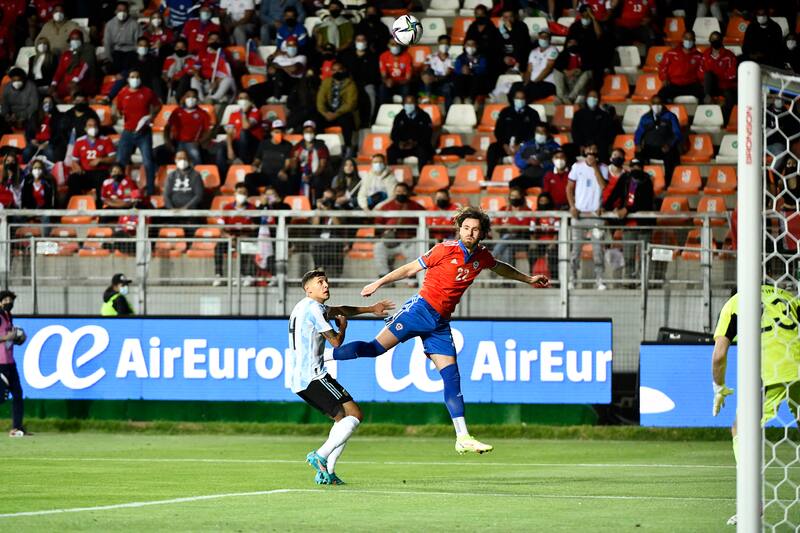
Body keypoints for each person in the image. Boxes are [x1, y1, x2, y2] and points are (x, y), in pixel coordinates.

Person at [332, 206, 549, 453]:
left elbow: (500, 267)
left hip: (441, 323)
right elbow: (410, 268)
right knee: (374, 349)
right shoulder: (444, 249)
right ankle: (325, 355)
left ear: (482, 233)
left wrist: (529, 279)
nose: (469, 232)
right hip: (419, 311)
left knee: (452, 377)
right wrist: (378, 282)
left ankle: (463, 437)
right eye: (466, 228)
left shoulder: (482, 256)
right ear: (459, 228)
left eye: (475, 229)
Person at [291, 269, 394, 485]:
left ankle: (326, 472)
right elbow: (336, 342)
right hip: (314, 376)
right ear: (308, 289)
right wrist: (343, 328)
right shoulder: (313, 310)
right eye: (320, 282)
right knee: (354, 415)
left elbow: (341, 310)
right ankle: (319, 456)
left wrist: (370, 309)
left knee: (341, 421)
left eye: (326, 281)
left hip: (301, 379)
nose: (326, 285)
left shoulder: (305, 306)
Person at [711, 285, 800, 527]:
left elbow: (719, 355)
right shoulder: (787, 297)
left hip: (770, 372)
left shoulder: (735, 303)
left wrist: (718, 388)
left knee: (741, 429)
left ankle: (751, 506)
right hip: (798, 363)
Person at [602, 158, 654, 280]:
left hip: (644, 226)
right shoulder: (625, 178)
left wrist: (627, 210)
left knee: (644, 256)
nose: (635, 169)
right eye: (633, 166)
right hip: (628, 226)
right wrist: (605, 207)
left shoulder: (647, 181)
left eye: (638, 167)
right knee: (628, 255)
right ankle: (629, 281)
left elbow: (645, 202)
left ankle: (643, 281)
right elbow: (615, 194)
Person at [567, 143, 608, 290]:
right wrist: (572, 206)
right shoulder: (576, 167)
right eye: (588, 151)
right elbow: (569, 188)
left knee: (598, 250)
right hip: (579, 215)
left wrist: (595, 166)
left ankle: (599, 279)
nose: (591, 153)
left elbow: (603, 186)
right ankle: (572, 278)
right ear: (584, 151)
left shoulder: (603, 167)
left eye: (594, 151)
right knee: (575, 250)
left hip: (596, 216)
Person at [114, 69, 161, 196]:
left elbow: (158, 106)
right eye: (132, 77)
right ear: (128, 79)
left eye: (137, 76)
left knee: (148, 161)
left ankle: (150, 190)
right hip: (128, 132)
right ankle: (118, 190)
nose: (135, 79)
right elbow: (117, 109)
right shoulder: (122, 93)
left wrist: (151, 116)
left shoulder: (147, 92)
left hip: (144, 133)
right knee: (120, 161)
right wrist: (118, 114)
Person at [372, 182, 425, 278]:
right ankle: (384, 277)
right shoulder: (386, 207)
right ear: (394, 192)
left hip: (409, 240)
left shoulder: (416, 206)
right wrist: (384, 232)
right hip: (391, 241)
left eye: (403, 191)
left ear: (408, 193)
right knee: (378, 247)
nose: (400, 193)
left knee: (415, 249)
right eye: (398, 191)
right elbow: (378, 224)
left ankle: (411, 279)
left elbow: (424, 221)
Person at [487, 88, 541, 180]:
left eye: (522, 98)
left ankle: (527, 178)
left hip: (524, 146)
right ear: (513, 99)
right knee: (493, 149)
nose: (520, 100)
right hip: (506, 145)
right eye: (517, 98)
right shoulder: (505, 112)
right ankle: (490, 176)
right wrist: (504, 145)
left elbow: (534, 133)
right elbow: (498, 131)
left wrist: (521, 145)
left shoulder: (533, 114)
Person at [213, 182, 257, 287]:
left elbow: (255, 226)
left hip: (245, 238)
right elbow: (220, 227)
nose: (241, 195)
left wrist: (243, 236)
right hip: (230, 238)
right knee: (218, 248)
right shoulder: (227, 208)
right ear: (235, 193)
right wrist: (229, 238)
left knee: (245, 246)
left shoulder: (252, 208)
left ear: (247, 195)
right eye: (239, 192)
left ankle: (246, 275)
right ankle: (219, 275)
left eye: (244, 193)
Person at [634, 95, 681, 186]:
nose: (657, 106)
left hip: (665, 148)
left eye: (659, 103)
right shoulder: (645, 118)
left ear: (662, 104)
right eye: (654, 103)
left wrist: (669, 144)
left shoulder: (670, 116)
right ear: (651, 104)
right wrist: (637, 144)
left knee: (671, 156)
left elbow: (677, 134)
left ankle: (668, 183)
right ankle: (639, 181)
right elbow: (638, 133)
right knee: (638, 156)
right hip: (650, 148)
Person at [157, 89, 212, 165]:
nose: (191, 99)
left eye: (193, 97)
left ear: (197, 99)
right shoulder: (177, 111)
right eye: (188, 96)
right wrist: (168, 141)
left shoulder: (202, 114)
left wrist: (200, 142)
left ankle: (196, 173)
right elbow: (167, 127)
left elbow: (208, 131)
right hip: (177, 141)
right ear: (184, 98)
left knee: (195, 155)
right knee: (157, 152)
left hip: (192, 142)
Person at [69, 117, 116, 199]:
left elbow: (113, 158)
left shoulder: (106, 140)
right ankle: (77, 203)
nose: (93, 128)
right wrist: (78, 168)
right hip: (85, 173)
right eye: (90, 125)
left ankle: (99, 206)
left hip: (101, 172)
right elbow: (74, 161)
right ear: (85, 128)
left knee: (101, 179)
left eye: (95, 125)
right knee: (73, 179)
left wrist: (101, 160)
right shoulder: (79, 141)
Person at [316, 61, 359, 151]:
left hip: (342, 113)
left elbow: (350, 104)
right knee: (316, 119)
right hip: (328, 113)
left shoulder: (351, 84)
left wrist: (336, 114)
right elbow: (320, 100)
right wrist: (324, 113)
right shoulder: (326, 82)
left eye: (339, 70)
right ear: (331, 71)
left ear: (344, 70)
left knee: (347, 121)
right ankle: (319, 147)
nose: (337, 72)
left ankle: (347, 148)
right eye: (334, 70)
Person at [0, 290, 26, 437]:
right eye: (6, 300)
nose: (9, 302)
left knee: (18, 394)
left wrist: (18, 339)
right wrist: (6, 337)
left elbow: (10, 338)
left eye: (11, 300)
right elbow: (5, 337)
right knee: (1, 397)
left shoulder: (8, 316)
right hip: (1, 363)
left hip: (10, 361)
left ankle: (17, 428)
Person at [492, 187, 536, 272]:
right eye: (512, 196)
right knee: (507, 250)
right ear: (509, 197)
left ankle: (492, 258)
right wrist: (503, 227)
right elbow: (495, 227)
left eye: (517, 196)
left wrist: (513, 227)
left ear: (521, 197)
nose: (514, 198)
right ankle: (508, 281)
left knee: (507, 238)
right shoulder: (503, 209)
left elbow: (528, 228)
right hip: (506, 240)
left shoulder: (527, 210)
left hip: (521, 239)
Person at [248, 119, 295, 197]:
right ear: (271, 132)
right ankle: (255, 197)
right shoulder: (263, 144)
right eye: (276, 132)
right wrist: (254, 165)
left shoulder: (287, 145)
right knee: (249, 178)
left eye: (281, 131)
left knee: (285, 180)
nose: (279, 134)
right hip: (264, 175)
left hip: (278, 175)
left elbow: (288, 163)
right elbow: (257, 159)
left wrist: (283, 171)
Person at [342, 33, 381, 123]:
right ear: (355, 42)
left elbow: (375, 74)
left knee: (371, 93)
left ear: (366, 42)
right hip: (352, 84)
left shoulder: (372, 56)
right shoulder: (348, 56)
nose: (361, 42)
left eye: (363, 40)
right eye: (358, 40)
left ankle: (370, 121)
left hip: (367, 84)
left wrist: (365, 82)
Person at [386, 94, 434, 167]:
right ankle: (393, 174)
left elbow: (428, 134)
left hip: (419, 145)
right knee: (391, 151)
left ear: (416, 104)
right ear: (403, 104)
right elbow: (393, 134)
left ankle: (422, 175)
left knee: (423, 152)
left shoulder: (424, 116)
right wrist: (399, 143)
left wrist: (415, 143)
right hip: (403, 145)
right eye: (407, 103)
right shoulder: (399, 117)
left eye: (411, 103)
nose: (409, 105)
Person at [50, 29, 97, 100]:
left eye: (77, 38)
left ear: (81, 40)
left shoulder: (86, 51)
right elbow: (59, 71)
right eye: (72, 39)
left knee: (75, 90)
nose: (75, 41)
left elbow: (84, 67)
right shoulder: (66, 54)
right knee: (52, 92)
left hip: (82, 81)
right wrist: (54, 83)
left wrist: (75, 80)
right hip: (67, 83)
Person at [510, 124, 561, 190]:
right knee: (514, 184)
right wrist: (527, 161)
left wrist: (542, 164)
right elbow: (517, 160)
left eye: (542, 132)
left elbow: (558, 164)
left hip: (545, 176)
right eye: (538, 132)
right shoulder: (527, 145)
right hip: (528, 176)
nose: (539, 134)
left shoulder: (554, 147)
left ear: (548, 133)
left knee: (550, 185)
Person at [657, 30, 703, 102]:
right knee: (659, 98)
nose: (688, 41)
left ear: (694, 40)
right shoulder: (671, 53)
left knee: (704, 96)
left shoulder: (699, 56)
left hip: (691, 85)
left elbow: (701, 72)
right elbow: (662, 67)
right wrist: (664, 78)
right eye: (686, 38)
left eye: (690, 39)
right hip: (674, 84)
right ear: (682, 39)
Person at [290, 120, 330, 203]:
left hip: (316, 174)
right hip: (301, 173)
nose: (308, 134)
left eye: (311, 131)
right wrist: (295, 159)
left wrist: (311, 176)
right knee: (292, 180)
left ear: (314, 133)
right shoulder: (297, 146)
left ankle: (316, 203)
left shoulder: (321, 146)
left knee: (317, 181)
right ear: (303, 133)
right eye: (306, 131)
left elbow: (322, 166)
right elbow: (293, 168)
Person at [700, 31, 736, 118]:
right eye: (713, 39)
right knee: (708, 75)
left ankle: (724, 119)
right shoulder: (705, 55)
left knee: (730, 98)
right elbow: (701, 71)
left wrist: (717, 76)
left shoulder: (729, 55)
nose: (715, 41)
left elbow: (732, 74)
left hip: (725, 86)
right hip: (710, 86)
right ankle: (704, 115)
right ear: (709, 41)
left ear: (721, 40)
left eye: (717, 39)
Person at [103, 1, 142, 75]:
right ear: (115, 11)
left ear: (128, 12)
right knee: (114, 64)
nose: (122, 13)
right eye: (120, 10)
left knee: (129, 62)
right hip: (117, 51)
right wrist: (109, 58)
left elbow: (139, 42)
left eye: (124, 11)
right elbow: (107, 43)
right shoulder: (109, 24)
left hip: (131, 51)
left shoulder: (135, 24)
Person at [524, 31, 561, 102]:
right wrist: (526, 82)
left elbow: (548, 68)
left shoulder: (553, 50)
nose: (543, 39)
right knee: (517, 86)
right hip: (532, 83)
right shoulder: (533, 52)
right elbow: (529, 70)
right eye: (542, 37)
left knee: (532, 91)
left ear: (549, 39)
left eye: (546, 37)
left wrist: (535, 82)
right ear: (538, 38)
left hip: (547, 83)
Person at [421, 35, 455, 110]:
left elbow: (447, 75)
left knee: (448, 88)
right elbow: (424, 71)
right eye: (442, 43)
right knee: (428, 74)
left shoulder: (452, 59)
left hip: (443, 84)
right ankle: (427, 99)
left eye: (446, 44)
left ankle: (448, 113)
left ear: (449, 45)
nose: (444, 46)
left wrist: (435, 79)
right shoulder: (430, 57)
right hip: (430, 83)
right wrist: (427, 77)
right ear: (438, 44)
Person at [453, 38, 489, 104]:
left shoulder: (481, 57)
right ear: (464, 46)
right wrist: (462, 70)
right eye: (468, 44)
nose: (470, 47)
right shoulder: (460, 57)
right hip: (464, 80)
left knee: (477, 79)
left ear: (476, 46)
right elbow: (456, 70)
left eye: (473, 44)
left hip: (476, 80)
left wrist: (471, 70)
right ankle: (460, 99)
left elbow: (483, 69)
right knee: (459, 78)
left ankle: (471, 99)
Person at [162, 37, 199, 102]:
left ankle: (176, 99)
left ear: (186, 48)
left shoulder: (192, 58)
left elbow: (193, 72)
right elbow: (164, 73)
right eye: (177, 47)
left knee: (185, 78)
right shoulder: (169, 59)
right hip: (172, 81)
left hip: (185, 82)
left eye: (182, 47)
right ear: (174, 48)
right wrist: (167, 80)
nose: (180, 49)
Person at [378, 39, 413, 104]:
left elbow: (408, 78)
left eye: (397, 44)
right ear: (388, 45)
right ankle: (384, 108)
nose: (395, 46)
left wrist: (398, 82)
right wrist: (387, 81)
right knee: (382, 88)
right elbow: (383, 75)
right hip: (389, 83)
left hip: (402, 83)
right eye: (392, 44)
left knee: (407, 88)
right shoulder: (383, 56)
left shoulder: (407, 56)